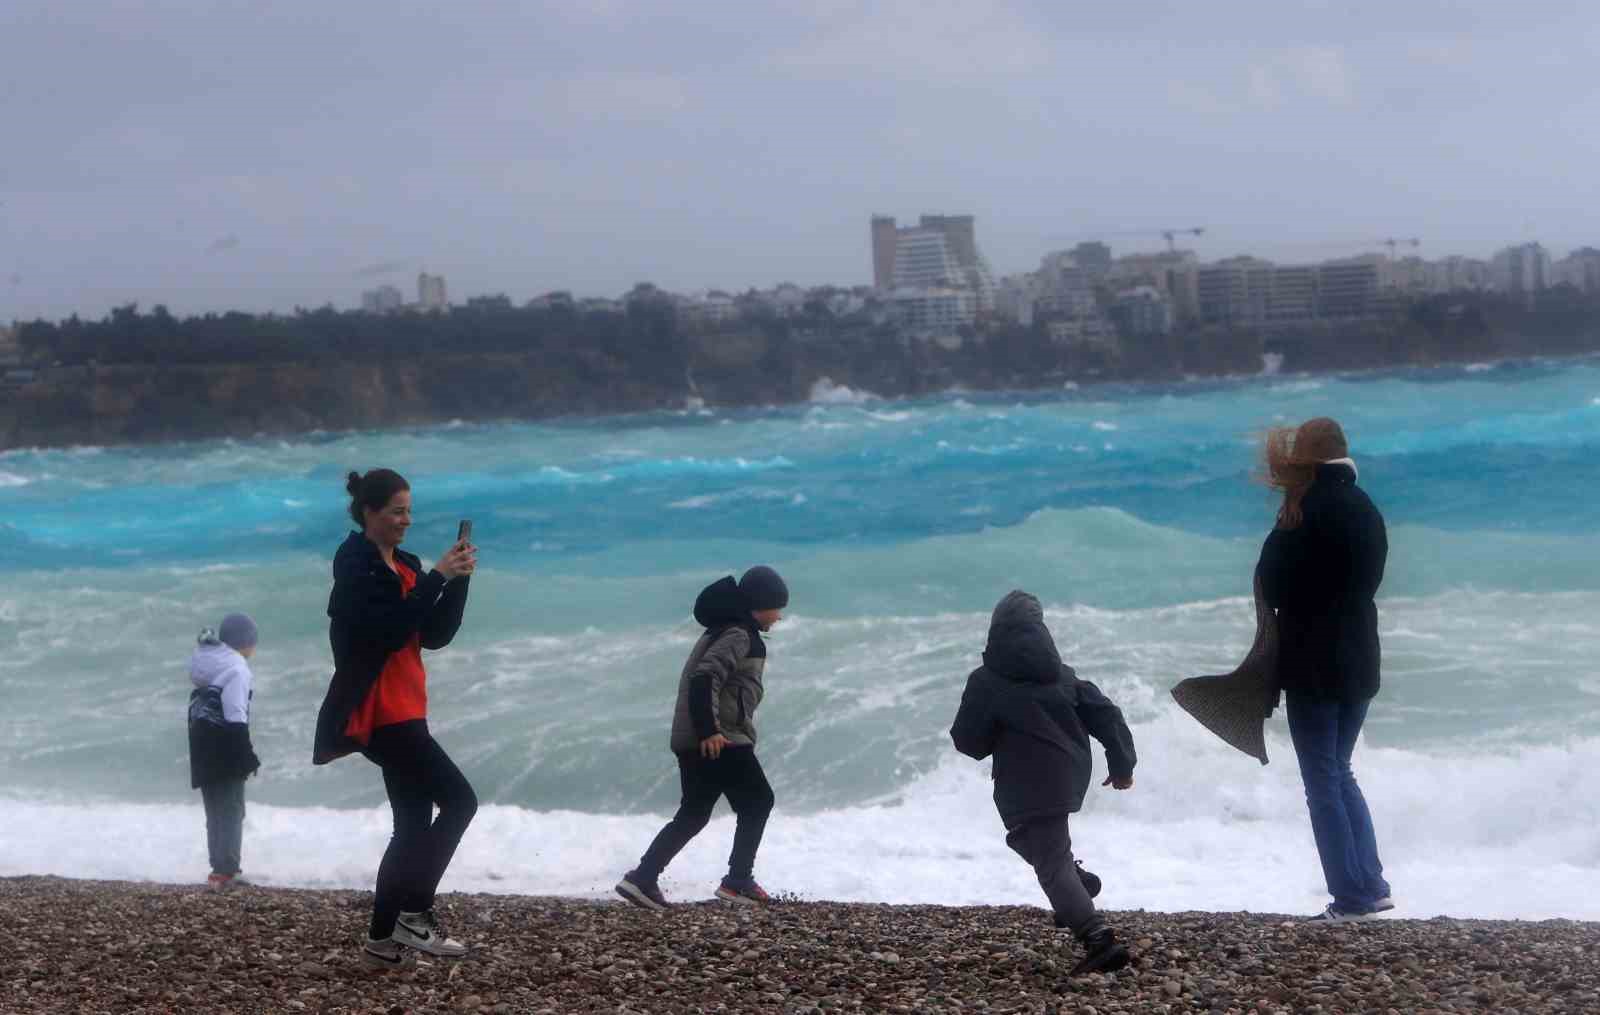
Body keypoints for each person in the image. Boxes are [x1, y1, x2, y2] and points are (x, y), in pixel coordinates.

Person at [313, 468, 478, 969]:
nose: (406, 521)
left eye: (410, 511)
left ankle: (381, 946)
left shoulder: (403, 563)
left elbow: (431, 635)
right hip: (380, 713)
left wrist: (458, 583)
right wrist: (437, 578)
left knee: (411, 825)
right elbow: (386, 631)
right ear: (370, 513)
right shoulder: (356, 565)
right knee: (460, 801)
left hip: (408, 707)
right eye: (397, 511)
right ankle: (414, 911)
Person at [950, 590, 1137, 977]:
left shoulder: (986, 681)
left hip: (1026, 783)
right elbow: (1107, 715)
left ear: (994, 631)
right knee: (1027, 841)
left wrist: (993, 733)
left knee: (1049, 862)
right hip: (1068, 774)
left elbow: (968, 742)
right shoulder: (1063, 676)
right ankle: (1076, 884)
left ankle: (1098, 938)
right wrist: (1122, 764)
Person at [1256, 417, 1393, 923]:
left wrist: (1285, 519)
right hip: (1361, 661)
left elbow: (1272, 585)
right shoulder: (1366, 508)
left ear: (1305, 462)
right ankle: (1371, 885)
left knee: (1322, 781)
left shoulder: (1306, 511)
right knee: (1340, 771)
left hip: (1315, 665)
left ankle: (1353, 898)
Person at [615, 566, 789, 911]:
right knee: (758, 801)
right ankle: (738, 881)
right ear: (759, 605)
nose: (780, 616)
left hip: (698, 737)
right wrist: (711, 730)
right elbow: (704, 678)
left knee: (694, 813)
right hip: (720, 739)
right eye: (776, 607)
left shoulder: (726, 630)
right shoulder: (740, 634)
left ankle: (642, 878)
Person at [188, 613, 262, 891]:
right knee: (232, 809)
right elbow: (235, 715)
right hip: (226, 746)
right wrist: (247, 755)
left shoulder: (207, 665)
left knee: (215, 810)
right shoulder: (237, 668)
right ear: (245, 642)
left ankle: (218, 869)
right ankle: (229, 872)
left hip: (202, 745)